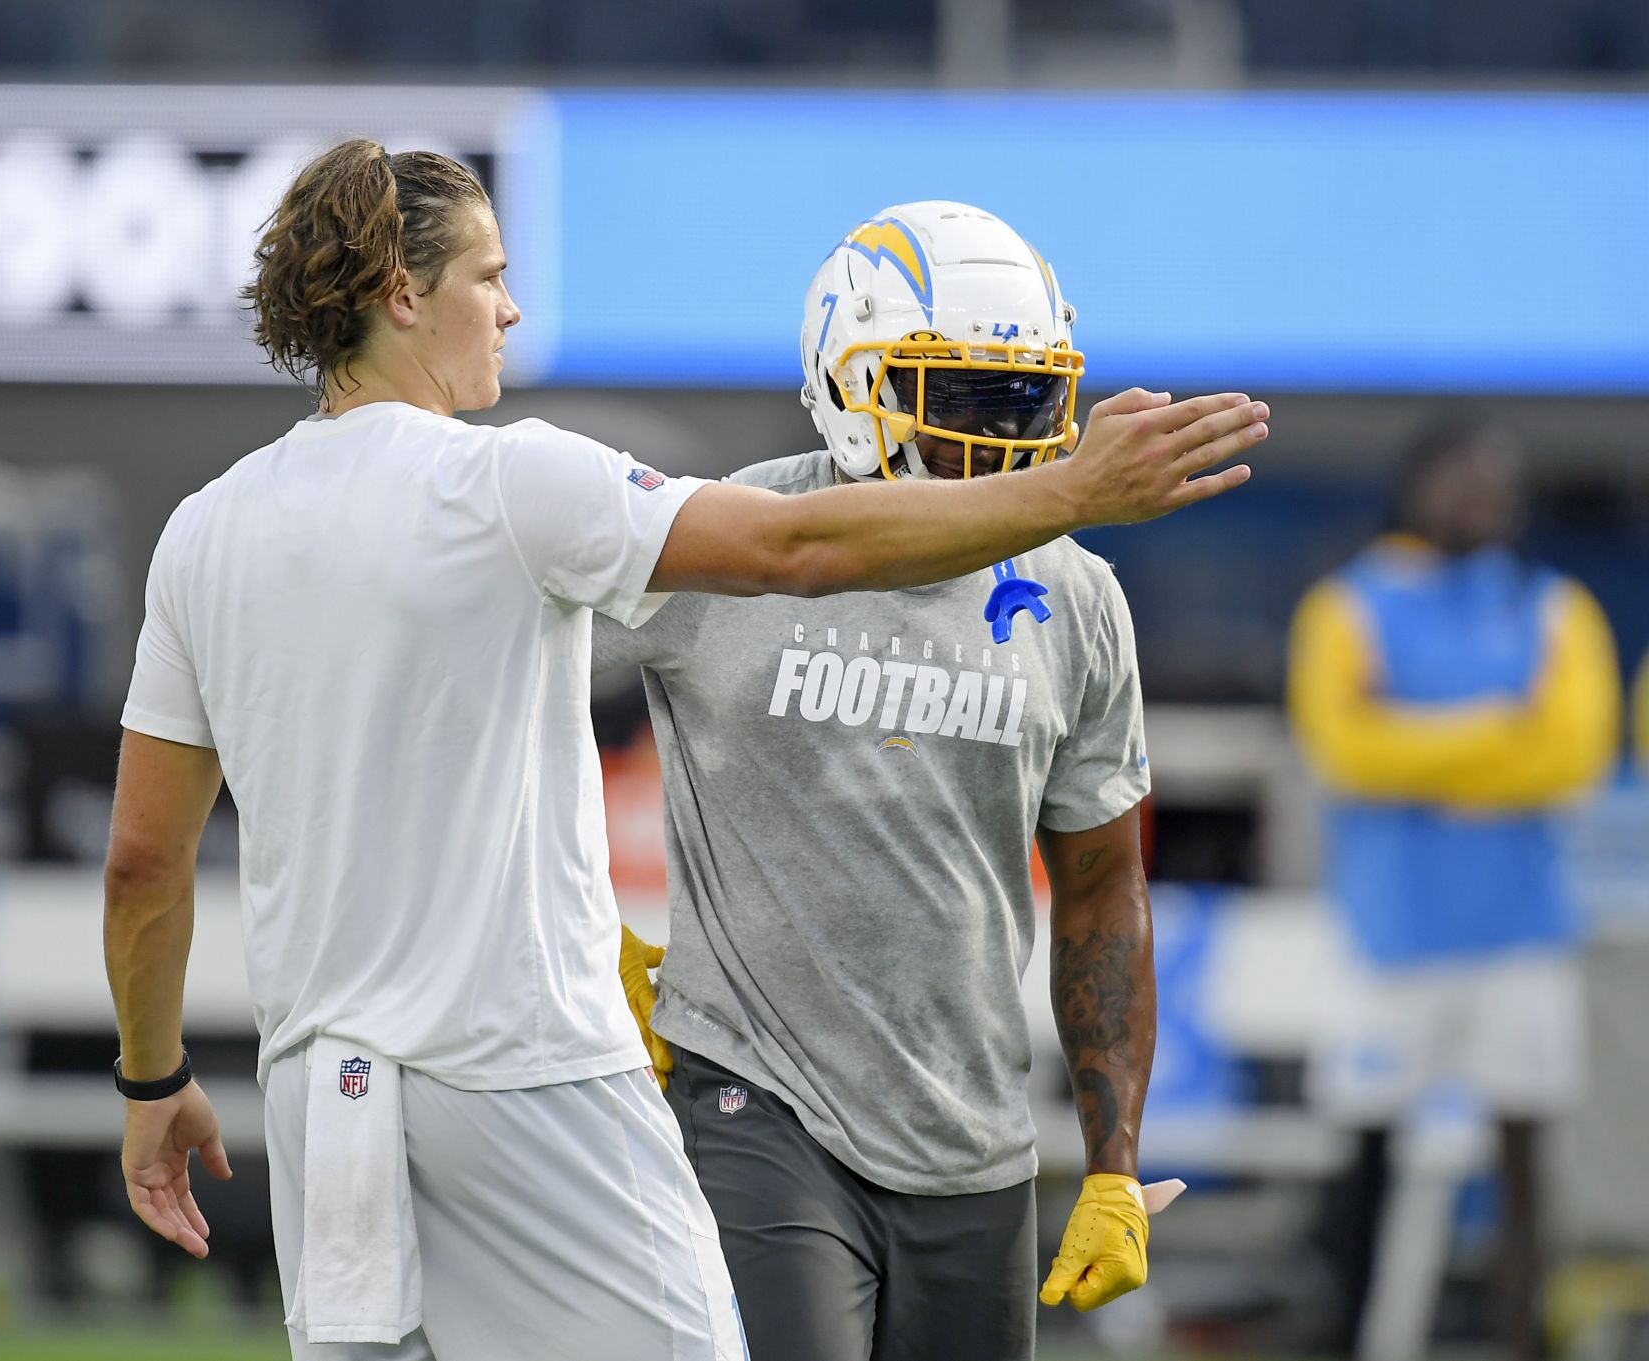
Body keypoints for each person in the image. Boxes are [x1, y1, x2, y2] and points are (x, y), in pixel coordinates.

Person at [101, 144, 1269, 1361]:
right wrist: (1071, 491)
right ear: (402, 291)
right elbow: (798, 550)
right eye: (489, 276)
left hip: (322, 1090)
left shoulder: (200, 531)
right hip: (532, 1067)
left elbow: (142, 867)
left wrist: (150, 1080)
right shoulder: (516, 481)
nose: (509, 307)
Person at [604, 200, 1182, 1361]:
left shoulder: (1077, 596)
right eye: (957, 394)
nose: (993, 431)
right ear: (843, 372)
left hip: (972, 1135)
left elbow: (1104, 887)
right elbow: (495, 708)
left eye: (1021, 399)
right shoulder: (726, 536)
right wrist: (579, 935)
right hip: (755, 1097)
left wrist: (1113, 1164)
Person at [1287, 420, 1621, 1361]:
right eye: (1466, 478)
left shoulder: (1556, 609)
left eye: (1501, 480)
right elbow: (1346, 752)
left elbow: (1572, 756)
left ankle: (1526, 1341)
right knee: (1363, 1161)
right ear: (1419, 484)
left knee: (1527, 1170)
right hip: (1390, 942)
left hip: (1522, 935)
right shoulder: (1347, 608)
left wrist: (1419, 745)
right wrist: (1496, 729)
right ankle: (1342, 1335)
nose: (1487, 497)